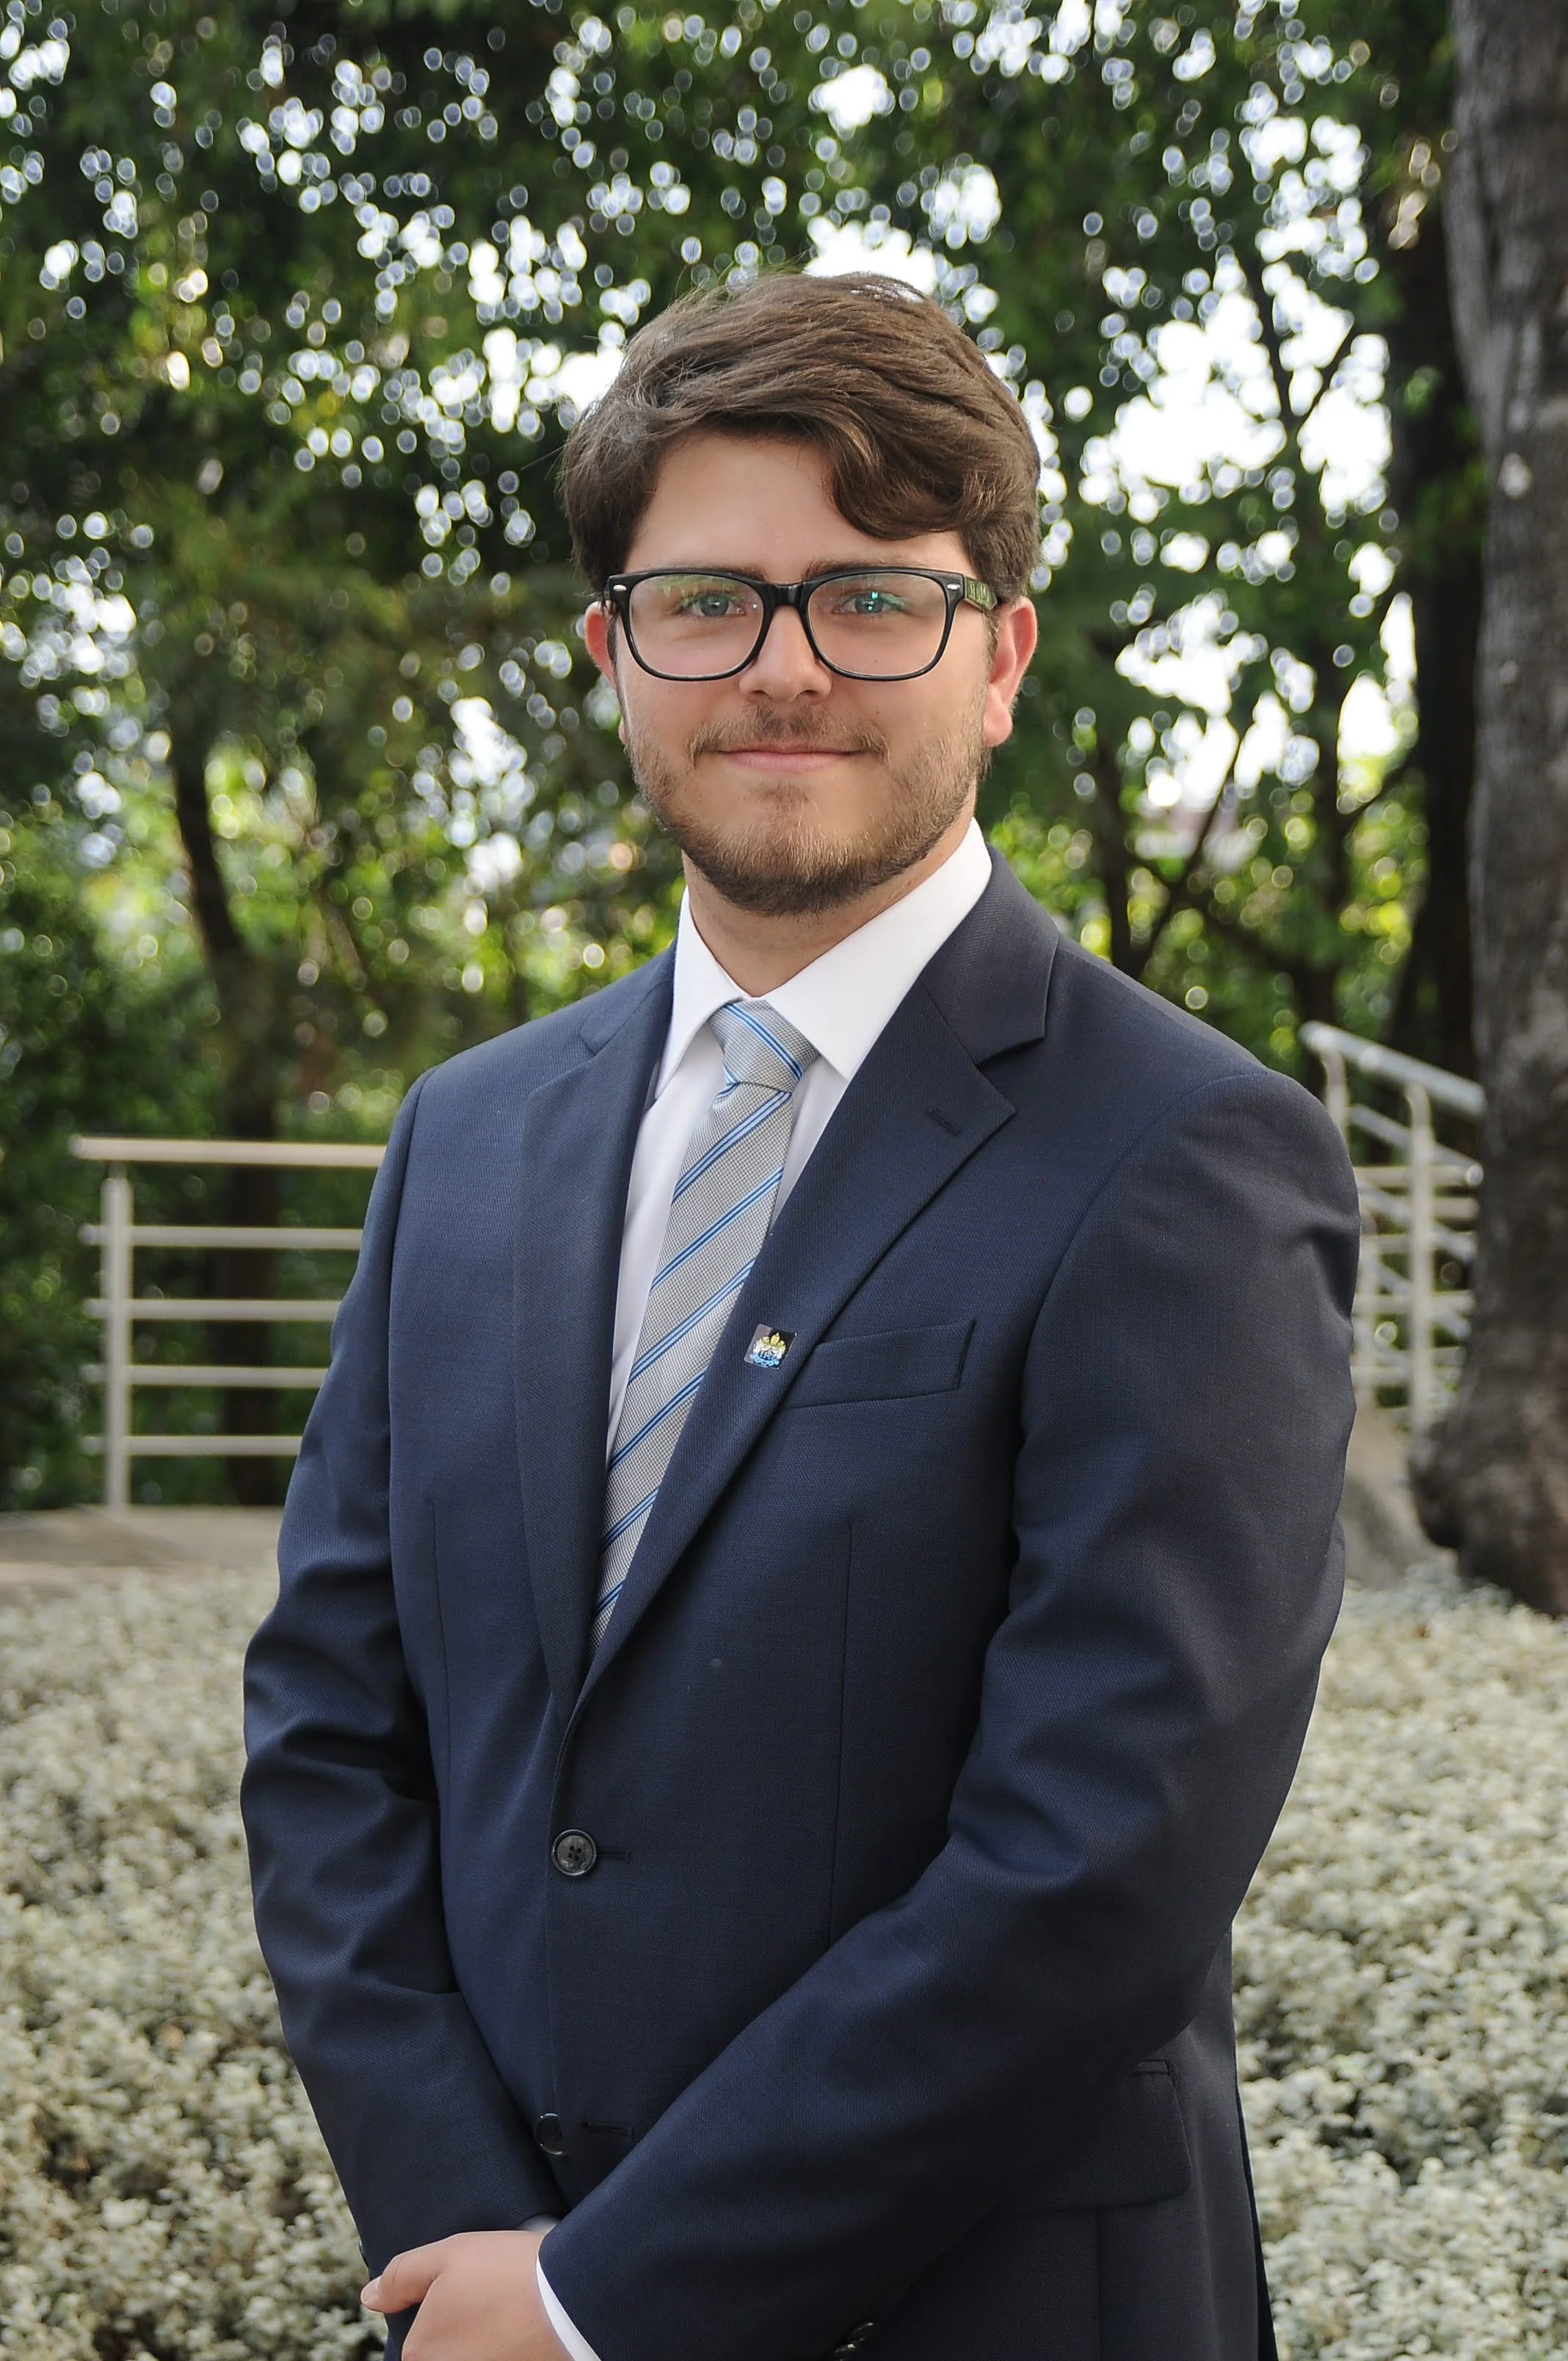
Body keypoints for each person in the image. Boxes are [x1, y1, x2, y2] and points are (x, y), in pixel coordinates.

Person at [242, 269, 1358, 2361]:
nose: (781, 672)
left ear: (1001, 652)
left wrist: (599, 2302)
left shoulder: (1192, 1158)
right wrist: (466, 2240)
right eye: (706, 601)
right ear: (613, 651)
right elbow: (331, 1731)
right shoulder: (467, 1140)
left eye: (871, 598)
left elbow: (1095, 1872)